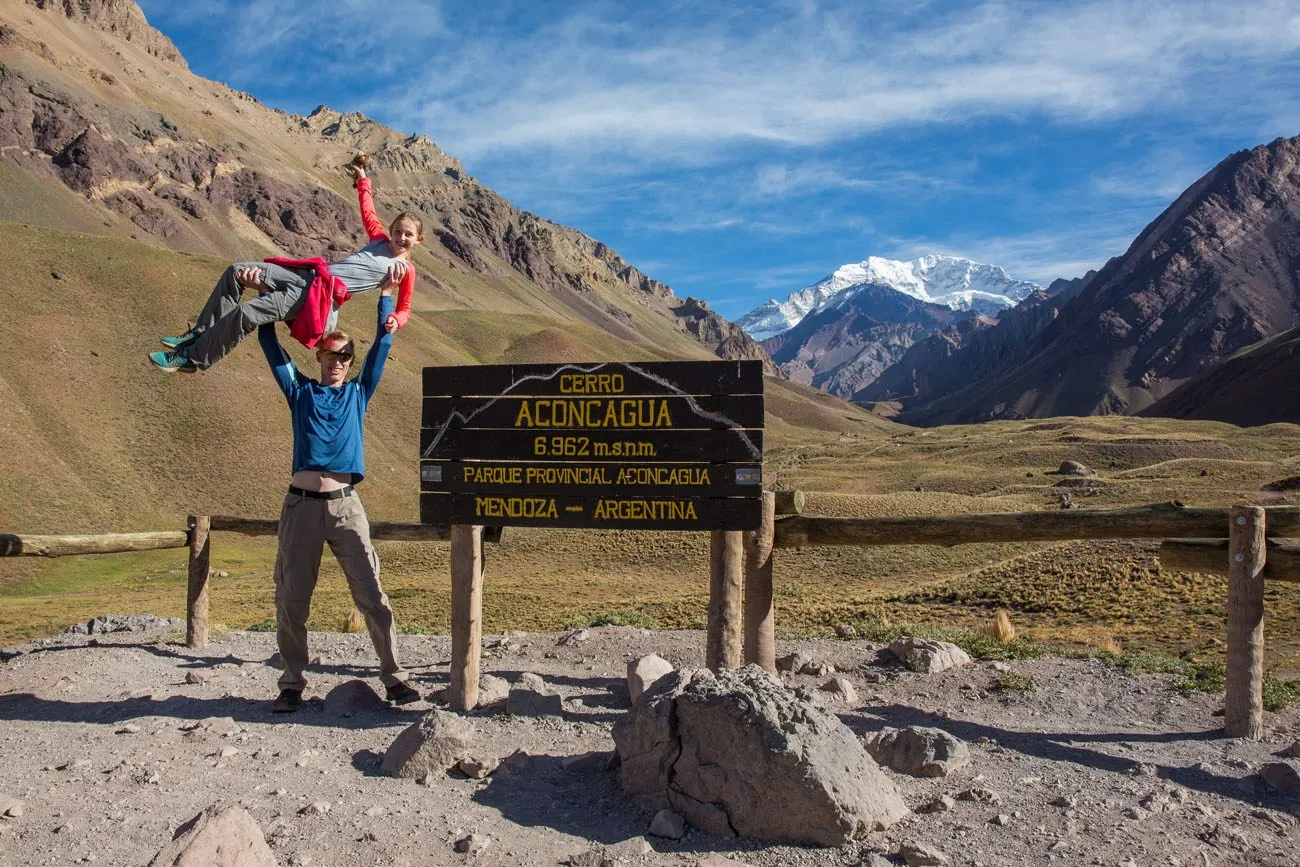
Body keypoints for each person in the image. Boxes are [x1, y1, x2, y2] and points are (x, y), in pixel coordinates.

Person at [259, 281, 419, 712]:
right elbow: (270, 346)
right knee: (292, 598)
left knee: (371, 594)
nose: (338, 361)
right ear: (320, 355)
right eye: (331, 353)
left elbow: (383, 344)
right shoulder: (300, 392)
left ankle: (395, 677)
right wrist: (264, 301)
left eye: (345, 355)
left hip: (346, 505)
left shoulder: (357, 392)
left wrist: (388, 297)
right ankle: (292, 682)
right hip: (301, 507)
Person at [149, 162, 423, 372]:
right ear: (391, 229)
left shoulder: (405, 270)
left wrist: (395, 320)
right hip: (307, 274)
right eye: (398, 231)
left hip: (317, 297)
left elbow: (405, 308)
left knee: (247, 312)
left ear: (417, 241)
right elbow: (368, 212)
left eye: (408, 235)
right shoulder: (378, 238)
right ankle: (199, 333)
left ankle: (192, 358)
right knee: (235, 271)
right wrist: (363, 181)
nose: (401, 238)